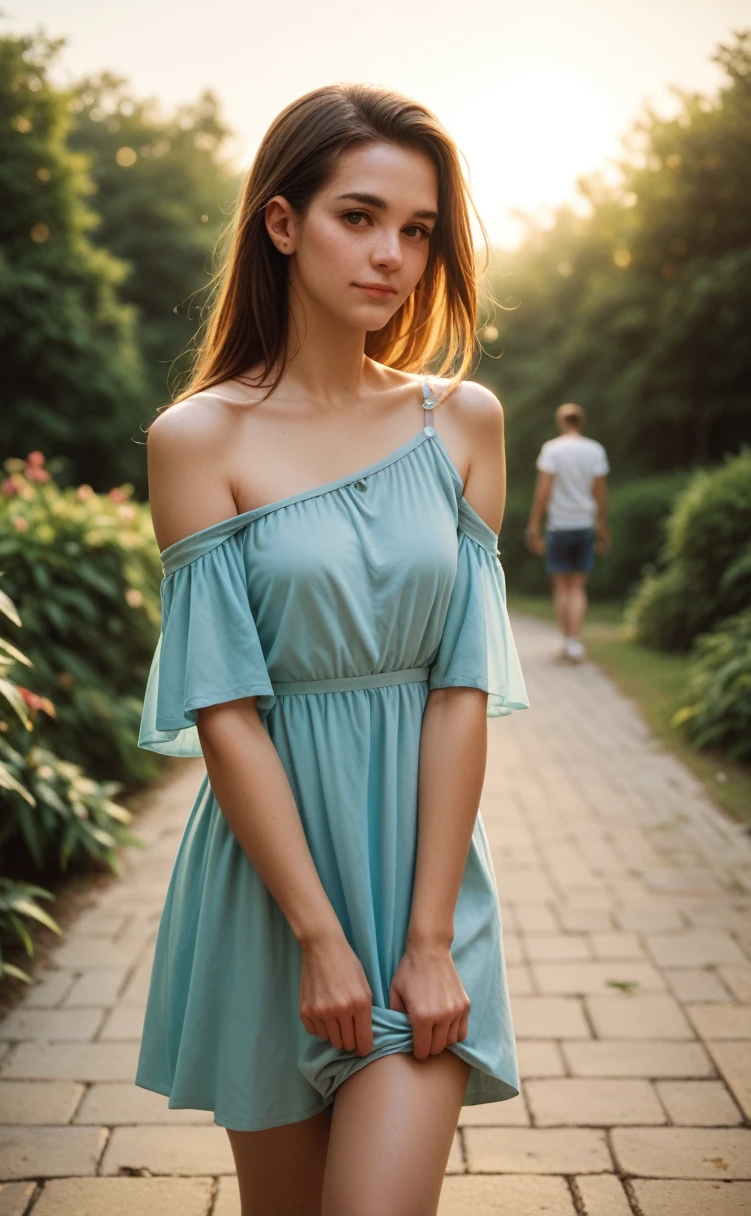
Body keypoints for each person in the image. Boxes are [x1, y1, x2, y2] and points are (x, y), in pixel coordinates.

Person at [134, 82, 529, 1216]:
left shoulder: (463, 421)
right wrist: (316, 933)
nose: (392, 255)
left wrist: (428, 935)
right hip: (269, 892)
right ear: (281, 221)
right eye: (359, 217)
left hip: (424, 876)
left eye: (416, 231)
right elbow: (225, 709)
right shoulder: (200, 438)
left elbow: (460, 686)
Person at [525, 403, 611, 663]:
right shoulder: (595, 450)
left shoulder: (552, 449)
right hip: (584, 524)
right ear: (581, 422)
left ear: (561, 421)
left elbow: (543, 491)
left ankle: (566, 641)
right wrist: (602, 526)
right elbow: (600, 493)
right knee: (578, 588)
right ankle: (574, 642)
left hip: (559, 525)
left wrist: (534, 525)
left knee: (561, 587)